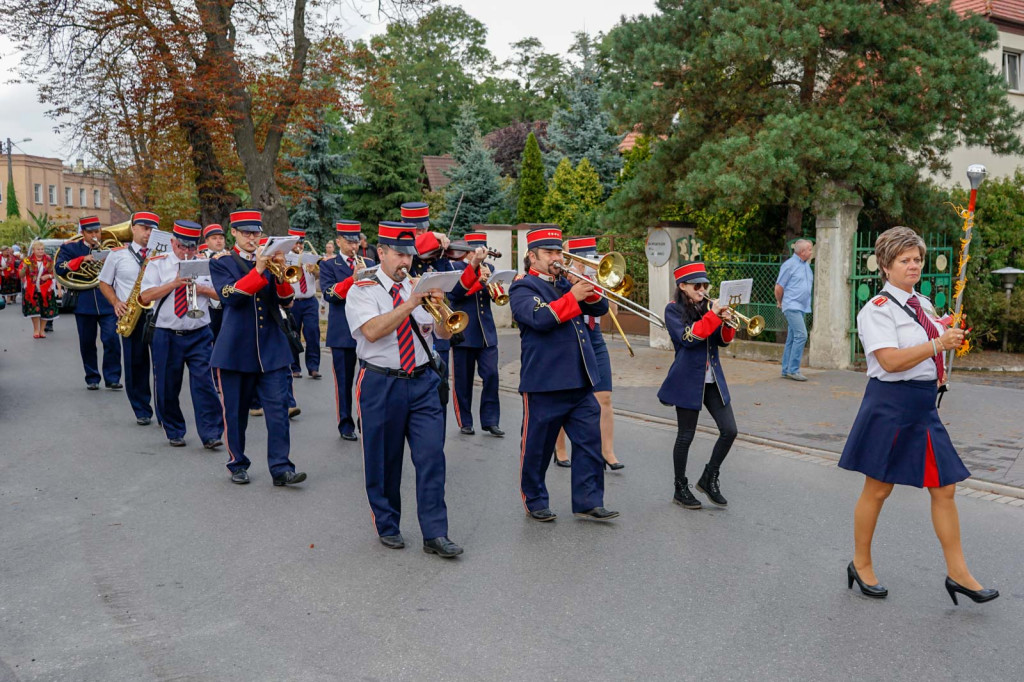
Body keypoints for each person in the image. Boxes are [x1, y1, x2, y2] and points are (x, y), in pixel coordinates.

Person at [839, 226, 997, 605]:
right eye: (904, 260)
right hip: (890, 404)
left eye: (917, 259)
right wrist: (936, 343)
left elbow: (930, 338)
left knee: (945, 487)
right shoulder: (874, 310)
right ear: (885, 265)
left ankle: (958, 574)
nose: (913, 266)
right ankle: (860, 563)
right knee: (878, 489)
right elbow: (890, 361)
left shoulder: (923, 304)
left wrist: (946, 330)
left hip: (924, 406)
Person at [345, 221, 462, 557]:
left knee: (431, 458)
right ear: (380, 252)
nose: (405, 262)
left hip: (423, 380)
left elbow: (441, 336)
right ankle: (387, 524)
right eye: (398, 254)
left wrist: (441, 313)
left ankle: (435, 534)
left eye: (409, 255)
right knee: (384, 460)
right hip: (381, 381)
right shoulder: (363, 289)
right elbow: (371, 331)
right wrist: (410, 303)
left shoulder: (418, 285)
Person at [509, 226, 618, 523]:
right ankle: (535, 499)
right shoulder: (523, 287)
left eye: (559, 252)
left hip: (579, 379)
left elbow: (602, 308)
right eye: (550, 253)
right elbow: (539, 318)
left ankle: (588, 500)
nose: (557, 258)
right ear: (533, 256)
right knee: (537, 447)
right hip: (544, 381)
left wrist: (587, 287)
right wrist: (573, 295)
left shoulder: (567, 282)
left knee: (589, 441)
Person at [208, 210, 306, 487]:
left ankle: (281, 467)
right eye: (247, 233)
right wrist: (260, 269)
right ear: (234, 233)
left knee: (278, 413)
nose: (253, 238)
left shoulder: (271, 260)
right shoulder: (222, 262)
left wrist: (282, 273)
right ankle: (237, 462)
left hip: (271, 348)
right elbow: (232, 297)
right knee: (236, 414)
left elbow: (286, 302)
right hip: (235, 349)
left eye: (256, 233)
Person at [658, 262, 738, 510]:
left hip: (712, 378)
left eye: (705, 285)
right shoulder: (672, 310)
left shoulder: (707, 308)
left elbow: (721, 342)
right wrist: (713, 316)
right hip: (687, 379)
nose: (702, 289)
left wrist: (726, 322)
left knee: (730, 430)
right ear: (682, 286)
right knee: (686, 436)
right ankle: (680, 487)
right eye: (696, 285)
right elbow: (688, 338)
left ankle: (709, 477)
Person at [139, 220, 225, 449]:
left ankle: (211, 434)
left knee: (205, 384)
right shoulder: (157, 264)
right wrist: (174, 283)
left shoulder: (206, 264)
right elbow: (145, 297)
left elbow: (222, 295)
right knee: (167, 385)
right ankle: (174, 429)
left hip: (199, 333)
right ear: (173, 242)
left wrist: (202, 289)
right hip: (166, 333)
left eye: (192, 247)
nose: (187, 252)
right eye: (182, 247)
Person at [553, 237, 623, 470]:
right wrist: (573, 279)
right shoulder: (561, 277)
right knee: (565, 396)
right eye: (583, 257)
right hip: (570, 335)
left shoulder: (595, 276)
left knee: (604, 396)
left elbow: (608, 312)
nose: (588, 263)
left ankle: (607, 450)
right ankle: (560, 449)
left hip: (594, 335)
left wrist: (605, 287)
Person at [99, 211, 159, 425]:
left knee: (163, 364)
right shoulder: (117, 254)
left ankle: (164, 411)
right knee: (136, 363)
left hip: (159, 314)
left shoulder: (162, 254)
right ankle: (142, 409)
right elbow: (104, 282)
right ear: (133, 228)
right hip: (132, 314)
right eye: (144, 228)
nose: (148, 233)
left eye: (152, 229)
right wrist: (116, 302)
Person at [320, 220, 374, 442]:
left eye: (356, 241)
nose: (353, 245)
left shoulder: (369, 262)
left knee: (369, 380)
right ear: (338, 241)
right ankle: (345, 423)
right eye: (348, 241)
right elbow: (329, 295)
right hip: (342, 332)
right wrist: (353, 279)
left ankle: (367, 420)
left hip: (368, 330)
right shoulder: (329, 265)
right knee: (344, 382)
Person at [55, 216, 123, 390]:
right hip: (84, 302)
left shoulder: (111, 248)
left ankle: (112, 377)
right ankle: (92, 377)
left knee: (112, 339)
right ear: (83, 233)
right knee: (87, 342)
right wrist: (82, 260)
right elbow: (59, 268)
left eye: (97, 232)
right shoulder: (70, 248)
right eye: (91, 232)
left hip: (107, 301)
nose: (95, 236)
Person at [448, 232, 503, 437]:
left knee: (492, 375)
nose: (481, 254)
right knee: (463, 380)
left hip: (486, 332)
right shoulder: (455, 267)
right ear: (468, 252)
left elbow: (493, 296)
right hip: (464, 330)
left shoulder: (490, 268)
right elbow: (455, 295)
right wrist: (478, 281)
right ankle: (465, 421)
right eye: (478, 250)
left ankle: (490, 421)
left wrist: (491, 286)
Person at [285, 227, 322, 379]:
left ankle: (313, 367)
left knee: (313, 333)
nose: (299, 246)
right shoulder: (285, 258)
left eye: (301, 243)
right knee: (293, 334)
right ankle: (295, 367)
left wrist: (314, 270)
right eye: (296, 243)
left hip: (309, 300)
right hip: (293, 301)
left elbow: (320, 276)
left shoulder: (310, 257)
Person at [775, 239, 814, 381]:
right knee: (801, 335)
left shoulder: (805, 266)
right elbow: (779, 287)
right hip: (792, 306)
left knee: (792, 338)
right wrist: (781, 302)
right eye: (809, 249)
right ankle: (793, 369)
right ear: (802, 252)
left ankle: (786, 369)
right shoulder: (789, 265)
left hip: (801, 307)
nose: (811, 251)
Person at [19, 240, 58, 338]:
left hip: (46, 289)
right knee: (34, 310)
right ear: (33, 250)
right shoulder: (27, 260)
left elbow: (55, 274)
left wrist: (48, 276)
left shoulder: (49, 260)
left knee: (46, 310)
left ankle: (42, 330)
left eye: (42, 249)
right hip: (32, 289)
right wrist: (24, 267)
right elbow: (20, 275)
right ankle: (36, 330)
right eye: (38, 249)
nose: (41, 251)